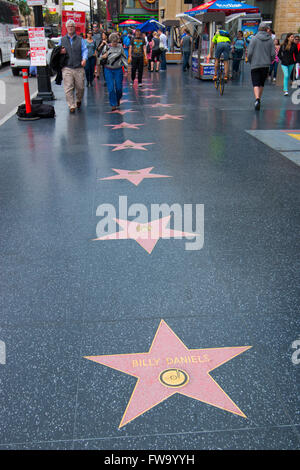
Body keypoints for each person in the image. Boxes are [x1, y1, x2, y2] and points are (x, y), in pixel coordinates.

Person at [59, 19, 88, 113]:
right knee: (68, 87)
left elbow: (84, 50)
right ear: (66, 28)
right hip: (67, 67)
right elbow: (56, 51)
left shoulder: (80, 39)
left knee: (80, 87)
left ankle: (78, 100)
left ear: (74, 28)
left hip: (78, 67)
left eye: (72, 26)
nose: (70, 28)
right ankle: (71, 105)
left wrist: (84, 59)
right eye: (69, 26)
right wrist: (60, 51)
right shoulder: (62, 40)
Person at [247, 22, 275, 110]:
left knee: (255, 82)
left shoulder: (254, 38)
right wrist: (269, 61)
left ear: (259, 29)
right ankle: (259, 98)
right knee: (262, 83)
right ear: (267, 29)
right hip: (265, 65)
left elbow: (250, 52)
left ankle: (257, 99)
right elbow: (273, 54)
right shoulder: (270, 39)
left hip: (255, 64)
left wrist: (250, 60)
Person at [100, 32, 127, 111]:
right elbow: (100, 57)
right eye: (113, 42)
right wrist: (103, 56)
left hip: (118, 69)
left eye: (116, 42)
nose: (115, 44)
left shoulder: (120, 47)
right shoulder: (106, 47)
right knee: (111, 88)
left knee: (119, 88)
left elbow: (123, 57)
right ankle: (113, 104)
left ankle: (117, 99)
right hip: (108, 69)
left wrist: (126, 69)